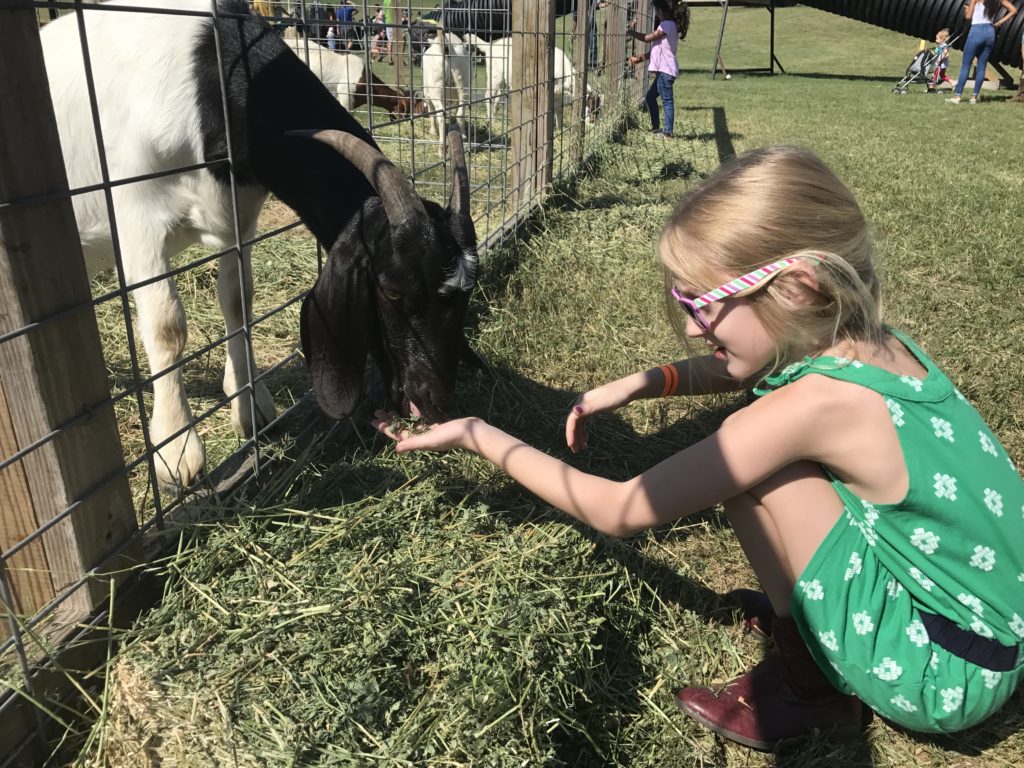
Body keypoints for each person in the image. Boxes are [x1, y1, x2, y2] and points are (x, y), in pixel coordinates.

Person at [374, 145, 1024, 750]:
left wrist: (479, 435)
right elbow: (745, 368)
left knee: (750, 465)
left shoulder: (815, 408)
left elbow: (620, 510)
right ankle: (807, 631)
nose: (687, 323)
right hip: (992, 630)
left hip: (946, 672)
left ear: (796, 286)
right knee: (754, 449)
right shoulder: (874, 345)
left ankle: (814, 686)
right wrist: (638, 384)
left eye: (701, 301)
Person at [627, 0, 689, 138]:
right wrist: (639, 58)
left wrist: (631, 32)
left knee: (667, 101)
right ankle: (656, 128)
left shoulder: (667, 25)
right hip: (664, 72)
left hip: (666, 71)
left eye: (657, 10)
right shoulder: (668, 25)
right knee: (650, 97)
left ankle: (667, 132)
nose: (656, 13)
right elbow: (656, 50)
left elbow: (648, 38)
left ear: (662, 11)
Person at [947, 0, 1017, 104]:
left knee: (966, 65)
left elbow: (968, 17)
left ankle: (957, 97)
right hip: (990, 32)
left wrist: (967, 9)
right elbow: (1014, 10)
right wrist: (999, 23)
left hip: (976, 31)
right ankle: (974, 98)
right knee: (982, 67)